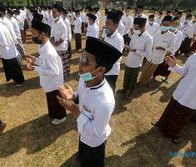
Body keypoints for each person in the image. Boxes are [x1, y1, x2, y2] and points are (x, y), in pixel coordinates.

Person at [57, 37, 122, 167]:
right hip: (83, 131)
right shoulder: (85, 78)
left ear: (101, 69)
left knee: (92, 161)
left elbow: (95, 132)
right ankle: (81, 155)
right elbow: (82, 95)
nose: (80, 65)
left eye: (85, 62)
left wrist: (74, 110)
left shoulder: (105, 101)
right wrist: (73, 96)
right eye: (81, 58)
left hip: (95, 142)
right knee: (82, 147)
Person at [153, 40, 196, 144]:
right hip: (180, 92)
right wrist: (174, 65)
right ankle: (161, 123)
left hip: (193, 100)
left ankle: (173, 134)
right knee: (169, 111)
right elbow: (184, 71)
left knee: (181, 119)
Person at [26, 20, 67, 125]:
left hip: (54, 84)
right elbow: (44, 63)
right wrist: (35, 60)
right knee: (51, 101)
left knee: (56, 101)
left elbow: (54, 71)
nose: (32, 37)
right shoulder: (43, 47)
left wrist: (35, 68)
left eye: (34, 34)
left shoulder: (49, 52)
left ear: (42, 34)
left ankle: (61, 116)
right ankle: (54, 114)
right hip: (49, 82)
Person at [0, 7, 25, 86]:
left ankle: (19, 81)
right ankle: (18, 80)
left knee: (14, 68)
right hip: (9, 51)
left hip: (7, 52)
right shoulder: (1, 26)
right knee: (13, 68)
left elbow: (3, 43)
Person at [120, 17, 153, 99]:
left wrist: (136, 51)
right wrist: (128, 47)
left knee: (133, 78)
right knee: (127, 75)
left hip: (136, 62)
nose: (134, 29)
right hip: (129, 59)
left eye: (136, 27)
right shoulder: (134, 34)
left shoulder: (149, 38)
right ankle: (125, 88)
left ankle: (129, 92)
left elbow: (148, 54)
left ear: (142, 27)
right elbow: (131, 45)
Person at [138, 16, 175, 86]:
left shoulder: (171, 36)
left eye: (167, 25)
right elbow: (151, 43)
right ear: (161, 24)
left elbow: (171, 48)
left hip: (159, 57)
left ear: (170, 25)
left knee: (150, 71)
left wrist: (163, 48)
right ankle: (140, 81)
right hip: (150, 55)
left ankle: (144, 82)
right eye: (164, 24)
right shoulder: (156, 33)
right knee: (145, 69)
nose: (165, 26)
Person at [153, 17, 183, 83]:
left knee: (168, 67)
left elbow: (178, 45)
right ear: (171, 23)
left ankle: (166, 77)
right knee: (159, 66)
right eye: (174, 23)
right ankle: (154, 76)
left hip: (170, 53)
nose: (175, 25)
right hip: (161, 52)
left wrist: (170, 52)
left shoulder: (179, 33)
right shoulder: (164, 31)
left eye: (177, 24)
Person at [104, 11, 124, 92]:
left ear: (115, 25)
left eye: (109, 24)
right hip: (104, 68)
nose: (106, 25)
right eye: (106, 23)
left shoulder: (118, 39)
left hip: (111, 71)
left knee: (110, 90)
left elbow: (116, 58)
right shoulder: (107, 35)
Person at [50, 4, 69, 78]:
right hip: (55, 47)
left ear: (59, 13)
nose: (53, 14)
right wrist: (52, 44)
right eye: (52, 12)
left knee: (63, 63)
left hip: (61, 47)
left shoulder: (62, 24)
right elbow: (52, 35)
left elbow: (63, 37)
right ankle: (59, 74)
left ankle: (64, 76)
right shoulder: (53, 22)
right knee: (57, 63)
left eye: (55, 12)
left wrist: (55, 45)